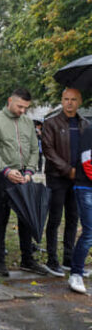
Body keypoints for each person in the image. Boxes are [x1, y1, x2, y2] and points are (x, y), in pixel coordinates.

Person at [0, 88, 45, 276]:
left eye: (25, 108)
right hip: (3, 178)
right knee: (1, 219)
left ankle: (27, 259)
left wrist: (29, 171)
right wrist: (7, 170)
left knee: (26, 220)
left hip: (24, 177)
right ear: (10, 101)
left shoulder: (27, 122)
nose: (22, 111)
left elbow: (35, 150)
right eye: (19, 106)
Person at [42, 88, 87, 275]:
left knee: (73, 218)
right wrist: (68, 170)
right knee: (54, 218)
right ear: (61, 100)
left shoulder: (85, 124)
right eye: (66, 99)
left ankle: (69, 258)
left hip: (78, 179)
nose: (69, 103)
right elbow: (48, 151)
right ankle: (52, 259)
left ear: (79, 102)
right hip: (57, 178)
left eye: (73, 99)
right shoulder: (51, 123)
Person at [69, 126, 92, 294]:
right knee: (90, 232)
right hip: (86, 187)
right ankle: (75, 274)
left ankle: (78, 267)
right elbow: (87, 161)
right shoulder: (90, 131)